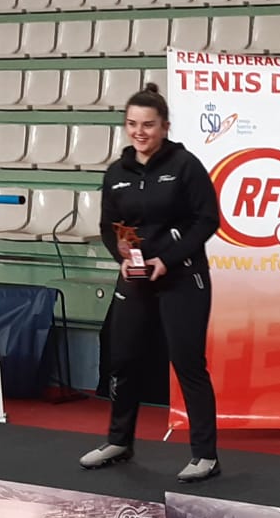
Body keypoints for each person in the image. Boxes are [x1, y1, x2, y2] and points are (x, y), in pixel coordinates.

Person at [80, 83, 223, 483]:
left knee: (187, 362)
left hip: (183, 277)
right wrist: (121, 259)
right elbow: (109, 228)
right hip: (136, 277)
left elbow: (207, 219)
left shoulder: (185, 165)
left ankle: (205, 456)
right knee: (122, 358)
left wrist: (169, 258)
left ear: (164, 127)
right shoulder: (117, 173)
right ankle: (119, 441)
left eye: (148, 124)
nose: (139, 132)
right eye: (132, 124)